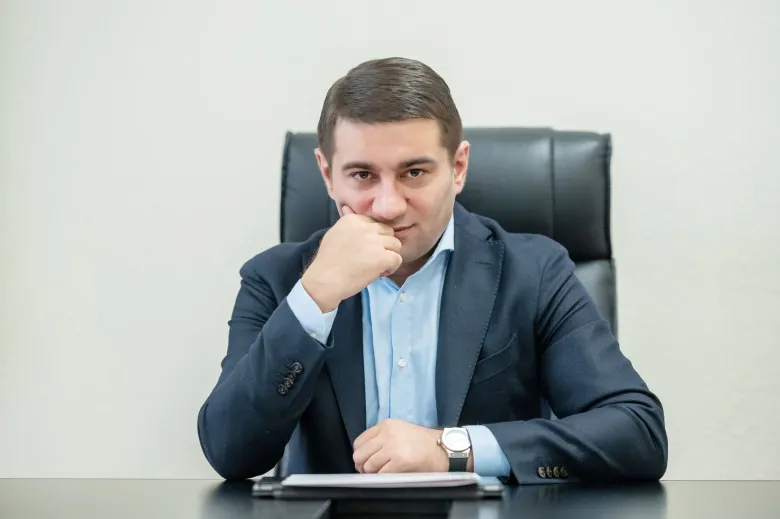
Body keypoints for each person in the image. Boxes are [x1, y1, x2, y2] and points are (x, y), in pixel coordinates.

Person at [197, 57, 668, 484]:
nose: (387, 206)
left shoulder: (535, 271)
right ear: (327, 174)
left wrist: (452, 449)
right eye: (362, 175)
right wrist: (315, 297)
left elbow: (637, 432)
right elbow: (230, 452)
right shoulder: (277, 279)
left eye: (414, 173)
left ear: (458, 168)